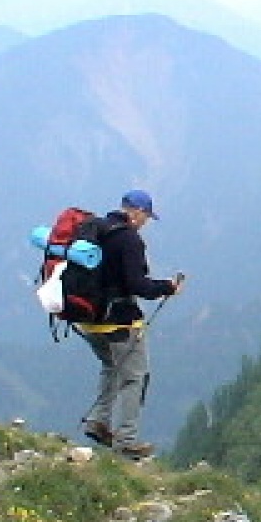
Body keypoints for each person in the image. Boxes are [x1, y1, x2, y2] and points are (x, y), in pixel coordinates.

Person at [75, 190, 184, 459]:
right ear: (136, 212)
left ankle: (98, 421)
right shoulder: (129, 240)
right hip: (118, 321)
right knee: (135, 377)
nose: (146, 221)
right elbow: (137, 285)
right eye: (146, 215)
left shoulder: (95, 229)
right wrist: (166, 287)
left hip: (86, 320)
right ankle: (127, 440)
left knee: (111, 365)